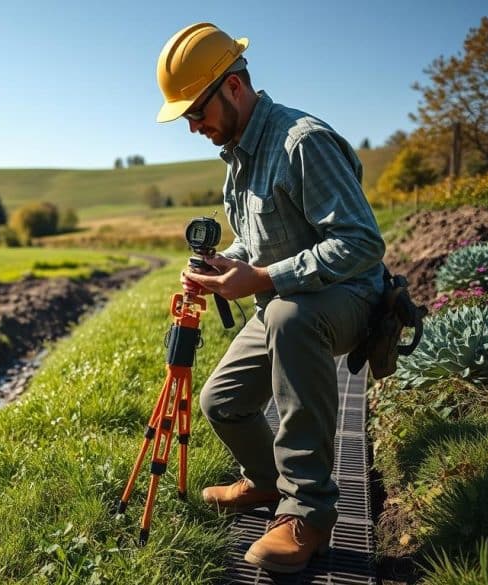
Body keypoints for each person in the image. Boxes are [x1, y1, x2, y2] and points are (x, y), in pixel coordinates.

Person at [154, 23, 385, 573]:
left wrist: (259, 280)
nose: (193, 127)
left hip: (349, 296)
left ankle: (308, 511)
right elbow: (259, 241)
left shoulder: (301, 142)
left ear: (233, 86)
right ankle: (264, 483)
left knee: (287, 316)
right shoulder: (237, 154)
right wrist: (227, 264)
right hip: (287, 302)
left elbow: (361, 244)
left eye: (196, 111)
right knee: (221, 403)